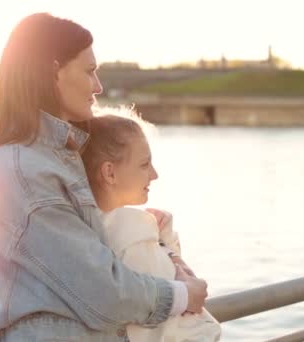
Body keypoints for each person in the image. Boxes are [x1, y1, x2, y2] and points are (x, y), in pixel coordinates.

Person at [0, 12, 207, 341]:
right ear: (53, 73)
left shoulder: (51, 159)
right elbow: (102, 290)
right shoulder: (26, 171)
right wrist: (182, 295)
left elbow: (81, 258)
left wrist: (153, 232)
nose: (98, 86)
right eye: (90, 71)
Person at [81, 109, 221, 341]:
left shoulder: (91, 228)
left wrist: (162, 235)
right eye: (145, 164)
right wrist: (162, 242)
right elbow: (182, 311)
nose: (154, 175)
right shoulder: (130, 231)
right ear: (109, 172)